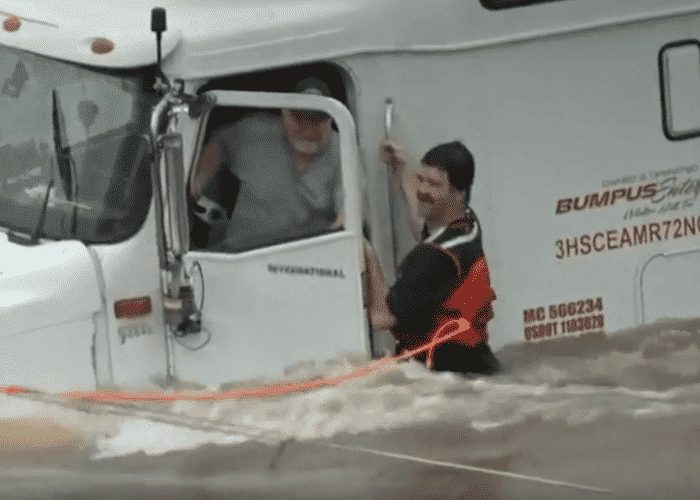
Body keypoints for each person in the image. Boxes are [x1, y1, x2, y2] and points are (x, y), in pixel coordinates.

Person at [365, 140, 501, 375]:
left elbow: (382, 318)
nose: (423, 191)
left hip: (448, 379)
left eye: (435, 185)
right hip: (478, 367)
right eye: (421, 180)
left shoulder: (436, 256)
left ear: (459, 194)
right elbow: (423, 228)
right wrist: (401, 172)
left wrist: (366, 252)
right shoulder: (466, 223)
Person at [189, 77, 344, 252]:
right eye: (300, 118)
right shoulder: (255, 132)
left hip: (304, 264)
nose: (308, 130)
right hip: (237, 256)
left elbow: (347, 217)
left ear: (331, 119)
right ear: (284, 113)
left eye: (317, 120)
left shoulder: (344, 151)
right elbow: (220, 144)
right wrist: (199, 181)